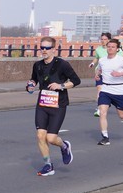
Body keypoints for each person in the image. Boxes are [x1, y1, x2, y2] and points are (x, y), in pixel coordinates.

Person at [27, 39, 80, 176]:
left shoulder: (62, 64)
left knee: (51, 138)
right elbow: (34, 79)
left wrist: (60, 86)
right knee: (40, 135)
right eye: (42, 48)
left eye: (47, 48)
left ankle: (64, 146)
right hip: (43, 104)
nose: (44, 50)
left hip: (58, 104)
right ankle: (48, 165)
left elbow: (76, 80)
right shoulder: (37, 65)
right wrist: (31, 85)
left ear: (53, 49)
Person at [95, 38, 123, 145]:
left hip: (118, 90)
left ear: (117, 49)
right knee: (102, 112)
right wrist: (97, 75)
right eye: (109, 47)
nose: (110, 48)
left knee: (122, 116)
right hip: (105, 89)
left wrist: (120, 74)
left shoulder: (121, 60)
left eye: (113, 47)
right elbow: (100, 69)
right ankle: (105, 137)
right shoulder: (102, 60)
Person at [89, 31, 112, 117]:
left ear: (109, 40)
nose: (103, 41)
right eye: (102, 39)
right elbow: (96, 58)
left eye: (105, 39)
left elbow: (122, 56)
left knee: (109, 91)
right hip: (99, 72)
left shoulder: (113, 49)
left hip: (110, 74)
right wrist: (92, 63)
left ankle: (110, 103)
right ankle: (99, 109)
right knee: (99, 89)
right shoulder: (98, 49)